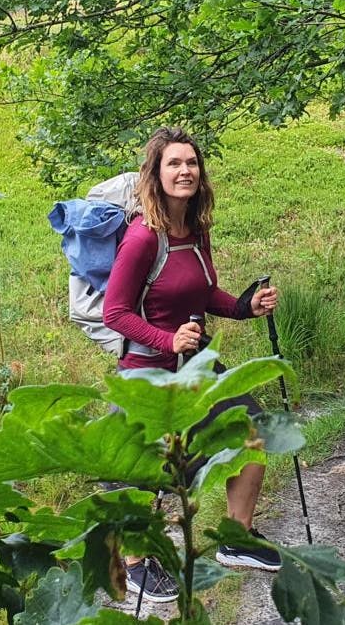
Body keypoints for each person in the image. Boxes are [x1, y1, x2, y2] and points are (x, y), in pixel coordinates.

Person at [103, 126, 283, 603]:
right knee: (152, 467)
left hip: (198, 365)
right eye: (174, 163)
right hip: (150, 370)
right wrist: (167, 338)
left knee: (252, 429)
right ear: (155, 174)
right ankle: (136, 562)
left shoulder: (196, 231)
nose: (185, 171)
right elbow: (115, 313)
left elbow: (203, 294)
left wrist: (246, 306)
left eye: (191, 163)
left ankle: (234, 538)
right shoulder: (143, 238)